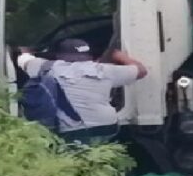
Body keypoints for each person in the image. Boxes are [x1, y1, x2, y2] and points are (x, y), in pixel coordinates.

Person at [17, 38, 147, 145]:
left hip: (72, 132)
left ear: (59, 56)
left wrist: (24, 50)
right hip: (107, 128)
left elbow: (24, 59)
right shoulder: (104, 70)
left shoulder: (45, 66)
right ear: (89, 56)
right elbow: (141, 71)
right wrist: (118, 55)